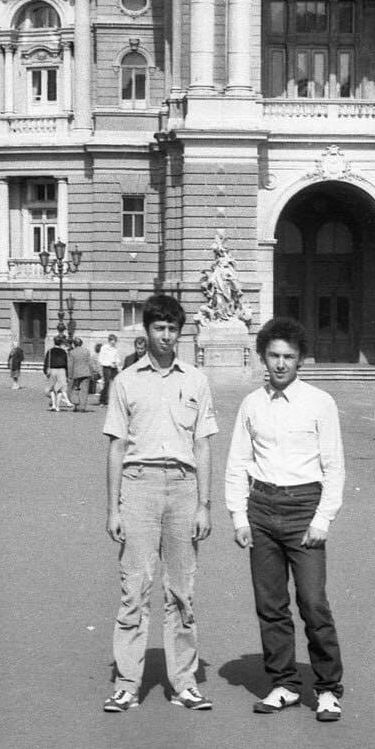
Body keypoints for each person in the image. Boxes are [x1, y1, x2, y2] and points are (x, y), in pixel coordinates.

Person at [225, 316, 346, 723]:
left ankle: (327, 688)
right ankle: (285, 684)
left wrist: (322, 519)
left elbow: (334, 466)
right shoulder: (251, 404)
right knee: (270, 604)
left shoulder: (320, 402)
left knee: (313, 603)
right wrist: (239, 517)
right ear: (263, 356)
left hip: (304, 509)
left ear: (300, 360)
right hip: (261, 509)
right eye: (274, 355)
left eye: (288, 357)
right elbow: (237, 462)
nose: (280, 364)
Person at [102, 294, 217, 713]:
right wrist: (113, 509)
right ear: (147, 331)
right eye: (159, 328)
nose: (166, 336)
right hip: (139, 485)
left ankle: (184, 683)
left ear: (180, 333)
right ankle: (127, 684)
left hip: (184, 487)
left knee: (181, 591)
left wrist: (204, 504)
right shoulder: (126, 381)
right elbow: (116, 447)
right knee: (134, 588)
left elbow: (203, 445)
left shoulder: (197, 380)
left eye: (172, 329)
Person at [68, 336, 95, 412]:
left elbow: (70, 365)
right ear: (81, 343)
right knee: (84, 390)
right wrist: (92, 372)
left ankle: (76, 405)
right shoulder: (86, 351)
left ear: (74, 344)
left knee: (75, 389)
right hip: (86, 372)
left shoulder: (72, 352)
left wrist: (70, 375)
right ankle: (82, 407)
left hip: (76, 374)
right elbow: (90, 363)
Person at [43, 337, 69, 410]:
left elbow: (46, 362)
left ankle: (53, 405)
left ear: (54, 342)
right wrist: (67, 374)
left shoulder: (50, 351)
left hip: (52, 370)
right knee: (60, 389)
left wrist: (45, 371)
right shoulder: (63, 352)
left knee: (51, 388)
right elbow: (66, 363)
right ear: (61, 343)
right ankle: (58, 406)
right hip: (62, 370)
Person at [98, 334, 121, 406]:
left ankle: (113, 400)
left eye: (115, 341)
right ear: (109, 341)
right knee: (107, 383)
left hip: (114, 367)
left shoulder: (115, 348)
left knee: (116, 382)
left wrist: (117, 363)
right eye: (112, 341)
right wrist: (109, 364)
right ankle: (102, 400)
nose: (113, 343)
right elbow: (101, 359)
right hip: (107, 367)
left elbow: (117, 358)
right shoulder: (104, 348)